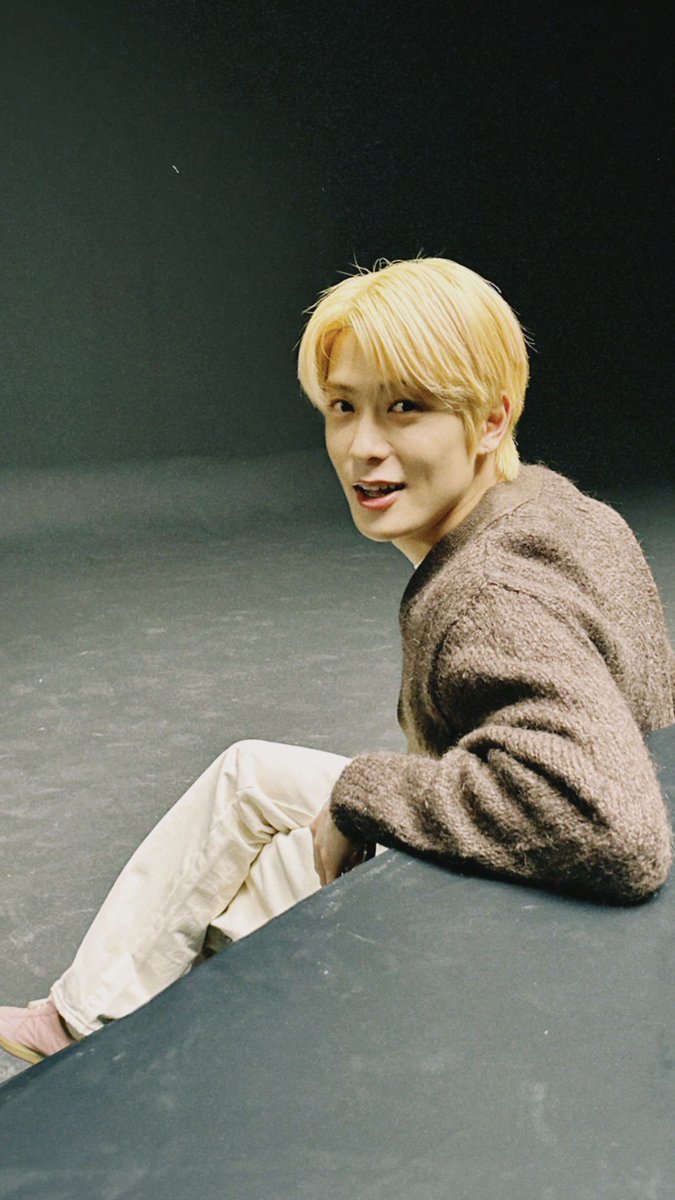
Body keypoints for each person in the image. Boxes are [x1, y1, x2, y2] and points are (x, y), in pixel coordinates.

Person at [1, 256, 673, 1067]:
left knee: (233, 905)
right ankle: (81, 1019)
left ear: (491, 419)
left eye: (405, 408)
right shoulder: (561, 510)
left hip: (529, 928)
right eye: (343, 407)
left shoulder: (488, 598)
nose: (361, 447)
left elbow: (614, 831)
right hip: (605, 911)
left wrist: (363, 797)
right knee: (248, 776)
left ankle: (102, 1051)